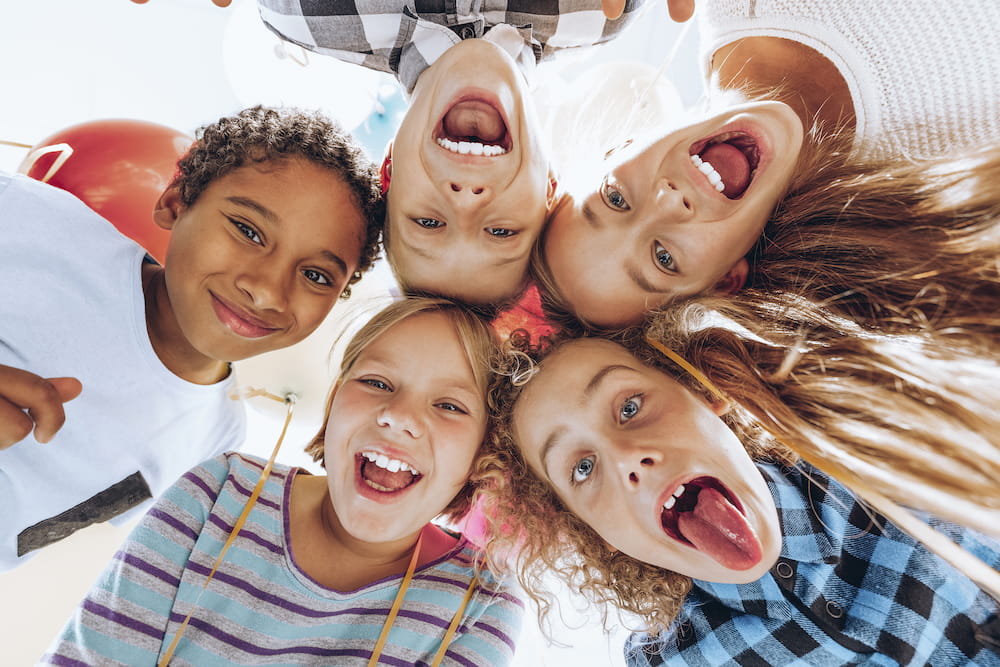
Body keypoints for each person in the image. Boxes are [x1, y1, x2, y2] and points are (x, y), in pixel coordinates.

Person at [0, 105, 384, 571]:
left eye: (317, 276)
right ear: (176, 201)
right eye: (248, 231)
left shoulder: (216, 446)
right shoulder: (24, 217)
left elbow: (30, 535)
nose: (266, 291)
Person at [42, 297, 524, 666]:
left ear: (483, 456)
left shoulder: (480, 607)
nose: (398, 417)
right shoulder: (219, 494)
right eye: (377, 383)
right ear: (334, 403)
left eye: (450, 406)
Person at [482, 328, 1000, 665]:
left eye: (630, 407)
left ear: (703, 391)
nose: (626, 460)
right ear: (595, 535)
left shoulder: (872, 453)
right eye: (583, 468)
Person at [537, 0, 1000, 328]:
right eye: (664, 258)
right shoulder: (949, 178)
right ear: (725, 282)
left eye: (616, 198)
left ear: (620, 148)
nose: (666, 200)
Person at [256, 0, 648, 308]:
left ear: (389, 170)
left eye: (428, 222)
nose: (466, 200)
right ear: (549, 186)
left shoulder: (300, 13)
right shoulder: (603, 13)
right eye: (501, 232)